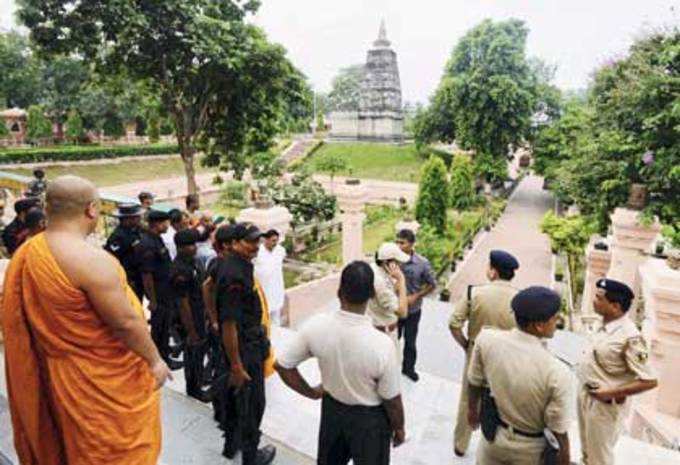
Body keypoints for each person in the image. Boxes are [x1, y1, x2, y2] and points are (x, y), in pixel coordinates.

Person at [3, 175, 170, 465]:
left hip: (59, 375)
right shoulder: (91, 260)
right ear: (92, 209)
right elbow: (125, 323)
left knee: (71, 445)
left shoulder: (28, 253)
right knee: (113, 452)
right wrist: (155, 360)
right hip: (101, 385)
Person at [276, 261, 406, 465]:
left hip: (333, 413)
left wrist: (311, 392)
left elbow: (283, 366)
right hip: (370, 422)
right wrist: (399, 428)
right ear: (372, 295)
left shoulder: (316, 326)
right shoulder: (382, 344)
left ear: (339, 292)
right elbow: (392, 400)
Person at [467, 286, 572, 465]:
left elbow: (474, 381)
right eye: (555, 317)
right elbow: (558, 429)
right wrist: (565, 458)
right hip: (531, 451)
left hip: (493, 437)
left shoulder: (487, 340)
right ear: (539, 325)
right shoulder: (557, 372)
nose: (558, 321)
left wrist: (472, 411)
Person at [577, 279, 658, 465]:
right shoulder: (602, 324)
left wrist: (610, 393)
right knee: (587, 454)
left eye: (599, 298)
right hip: (586, 395)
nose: (594, 300)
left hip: (605, 404)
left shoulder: (630, 337)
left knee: (599, 459)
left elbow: (650, 380)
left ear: (615, 306)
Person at [448, 250, 520, 457]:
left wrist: (465, 344)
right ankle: (494, 446)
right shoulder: (518, 298)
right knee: (501, 400)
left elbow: (454, 323)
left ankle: (461, 444)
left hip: (476, 353)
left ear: (493, 272)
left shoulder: (474, 293)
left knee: (468, 398)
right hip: (505, 357)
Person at [216, 222, 276, 465]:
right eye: (250, 242)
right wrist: (237, 365)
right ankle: (251, 457)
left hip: (244, 344)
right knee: (252, 404)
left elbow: (208, 288)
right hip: (244, 348)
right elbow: (229, 324)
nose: (256, 246)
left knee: (235, 398)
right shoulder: (235, 274)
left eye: (257, 241)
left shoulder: (234, 264)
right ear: (235, 243)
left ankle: (231, 445)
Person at [171, 228, 211, 402]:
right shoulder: (179, 270)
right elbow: (183, 303)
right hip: (189, 319)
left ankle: (199, 379)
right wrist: (191, 331)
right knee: (193, 352)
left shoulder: (193, 262)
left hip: (200, 314)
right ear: (180, 248)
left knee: (200, 351)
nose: (194, 248)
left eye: (194, 244)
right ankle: (194, 389)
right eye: (190, 245)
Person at [395, 228, 436, 382]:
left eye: (402, 243)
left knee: (410, 342)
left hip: (413, 310)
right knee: (392, 340)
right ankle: (388, 369)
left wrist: (416, 296)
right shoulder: (392, 261)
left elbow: (432, 285)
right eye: (397, 242)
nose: (399, 246)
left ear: (412, 244)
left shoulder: (422, 264)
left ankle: (408, 369)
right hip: (395, 310)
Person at [139, 209, 176, 366]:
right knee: (159, 328)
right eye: (165, 222)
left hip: (165, 290)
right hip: (158, 293)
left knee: (165, 326)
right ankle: (159, 358)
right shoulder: (148, 244)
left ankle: (165, 354)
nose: (167, 225)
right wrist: (152, 300)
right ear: (157, 224)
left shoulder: (156, 239)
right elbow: (147, 274)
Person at [368, 242, 409, 351]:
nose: (400, 266)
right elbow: (402, 312)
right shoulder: (379, 281)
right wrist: (402, 280)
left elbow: (391, 290)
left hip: (378, 328)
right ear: (387, 263)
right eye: (398, 262)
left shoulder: (375, 269)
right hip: (384, 332)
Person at [104, 203, 145, 300]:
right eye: (136, 217)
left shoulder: (136, 231)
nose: (139, 219)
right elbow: (111, 259)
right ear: (128, 219)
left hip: (139, 276)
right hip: (129, 279)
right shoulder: (118, 237)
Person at [254, 229, 287, 325]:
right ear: (266, 240)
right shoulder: (257, 252)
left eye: (276, 240)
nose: (275, 243)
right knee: (264, 317)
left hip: (276, 288)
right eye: (273, 240)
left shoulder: (280, 250)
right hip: (263, 289)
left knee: (276, 317)